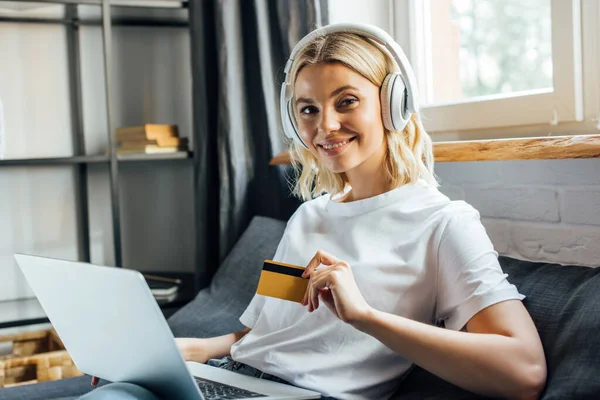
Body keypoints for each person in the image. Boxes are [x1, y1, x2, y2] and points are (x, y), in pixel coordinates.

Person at [82, 23, 547, 400]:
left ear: (393, 105)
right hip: (231, 380)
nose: (324, 125)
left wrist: (363, 314)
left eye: (346, 101)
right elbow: (258, 336)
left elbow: (523, 372)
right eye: (307, 109)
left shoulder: (444, 224)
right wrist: (188, 350)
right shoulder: (308, 218)